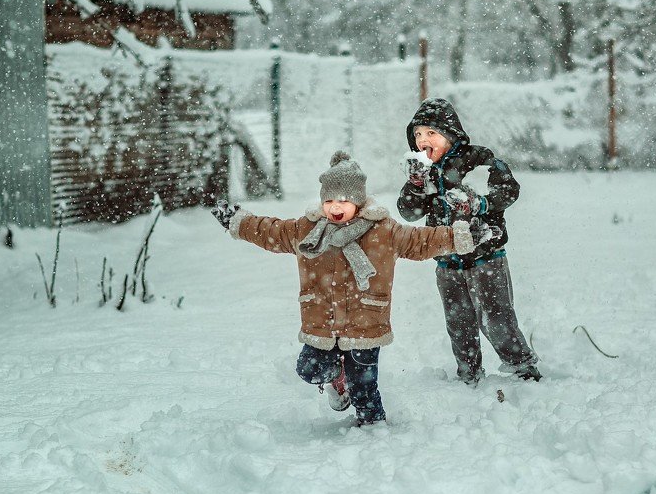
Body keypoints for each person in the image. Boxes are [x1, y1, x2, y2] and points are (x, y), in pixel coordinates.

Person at [211, 151, 502, 426]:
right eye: (329, 202)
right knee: (309, 369)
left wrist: (462, 236)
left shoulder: (384, 231)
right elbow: (270, 231)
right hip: (322, 321)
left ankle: (373, 429)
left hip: (366, 321)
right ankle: (337, 375)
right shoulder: (309, 230)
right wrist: (239, 222)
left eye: (343, 201)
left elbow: (422, 240)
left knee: (364, 386)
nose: (335, 208)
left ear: (359, 202)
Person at [397, 98, 541, 384]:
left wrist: (482, 204)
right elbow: (408, 212)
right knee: (459, 322)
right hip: (447, 261)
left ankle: (522, 366)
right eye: (418, 135)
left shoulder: (477, 159)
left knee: (496, 316)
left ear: (451, 135)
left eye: (431, 134)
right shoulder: (424, 173)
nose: (423, 141)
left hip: (485, 256)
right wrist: (415, 187)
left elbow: (509, 190)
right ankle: (468, 372)